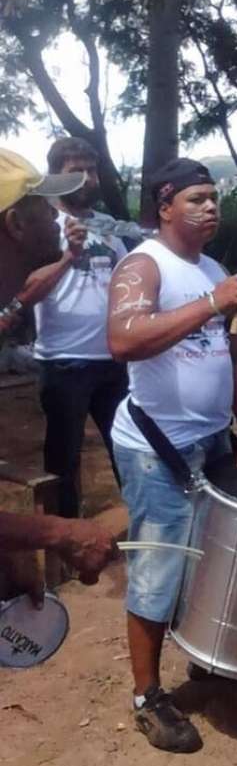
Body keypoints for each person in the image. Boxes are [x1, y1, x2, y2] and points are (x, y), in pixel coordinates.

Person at [107, 158, 237, 754]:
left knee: (209, 560)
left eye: (214, 198)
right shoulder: (144, 265)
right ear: (164, 206)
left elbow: (235, 357)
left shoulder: (213, 269)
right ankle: (147, 696)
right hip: (157, 448)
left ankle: (205, 654)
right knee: (158, 570)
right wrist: (211, 301)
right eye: (197, 199)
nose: (211, 208)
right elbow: (124, 339)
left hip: (212, 442)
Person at [0, 148, 117, 594]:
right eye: (43, 212)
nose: (55, 220)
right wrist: (57, 533)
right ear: (15, 225)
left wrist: (10, 552)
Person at [17, 137, 128, 517]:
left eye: (91, 169)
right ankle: (63, 546)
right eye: (74, 171)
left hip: (114, 359)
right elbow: (26, 291)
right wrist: (68, 257)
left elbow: (127, 283)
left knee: (127, 447)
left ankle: (145, 523)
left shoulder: (110, 230)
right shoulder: (44, 227)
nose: (86, 178)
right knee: (63, 460)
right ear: (56, 178)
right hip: (64, 362)